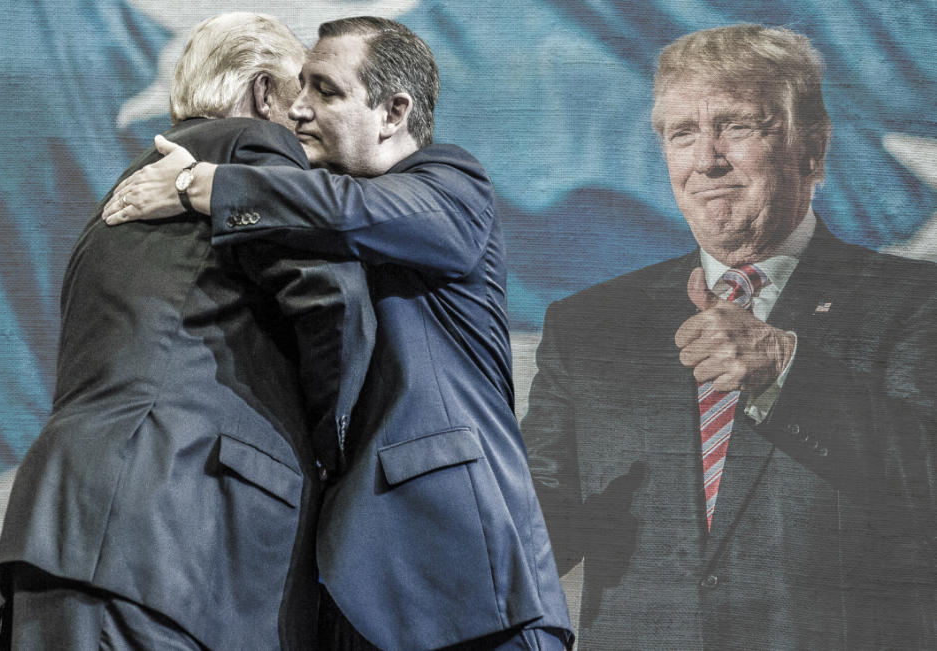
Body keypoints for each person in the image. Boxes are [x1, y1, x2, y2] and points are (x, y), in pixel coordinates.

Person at [104, 16, 572, 651]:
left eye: (324, 91)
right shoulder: (307, 220)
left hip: (465, 577)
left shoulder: (452, 185)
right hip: (350, 591)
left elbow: (357, 212)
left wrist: (203, 184)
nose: (297, 109)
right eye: (298, 89)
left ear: (393, 112)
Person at [520, 24, 937, 649]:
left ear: (812, 151)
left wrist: (787, 368)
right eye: (682, 134)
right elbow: (536, 535)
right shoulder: (588, 324)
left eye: (738, 126)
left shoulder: (914, 301)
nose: (707, 160)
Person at [0, 13, 375, 650]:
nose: (307, 117)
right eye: (299, 93)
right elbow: (331, 295)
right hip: (173, 537)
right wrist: (345, 457)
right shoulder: (250, 150)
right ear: (262, 95)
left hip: (72, 541)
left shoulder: (115, 204)